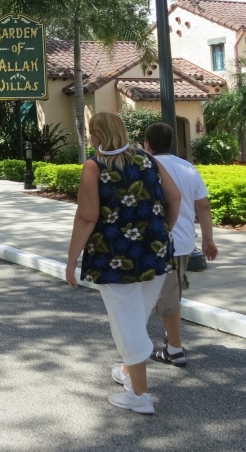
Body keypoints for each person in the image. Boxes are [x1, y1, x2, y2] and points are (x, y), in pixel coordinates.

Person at [65, 112, 181, 414]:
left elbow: (87, 216)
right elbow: (176, 197)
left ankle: (139, 395)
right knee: (136, 315)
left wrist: (71, 258)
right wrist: (162, 230)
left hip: (114, 256)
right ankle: (130, 371)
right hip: (154, 251)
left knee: (127, 321)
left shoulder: (94, 166)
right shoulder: (148, 160)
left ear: (96, 135)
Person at [144, 122, 219, 368]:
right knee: (170, 293)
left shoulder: (147, 167)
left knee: (166, 299)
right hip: (184, 242)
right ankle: (169, 342)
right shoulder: (188, 168)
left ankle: (174, 351)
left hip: (157, 243)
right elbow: (204, 207)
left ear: (147, 144)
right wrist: (208, 239)